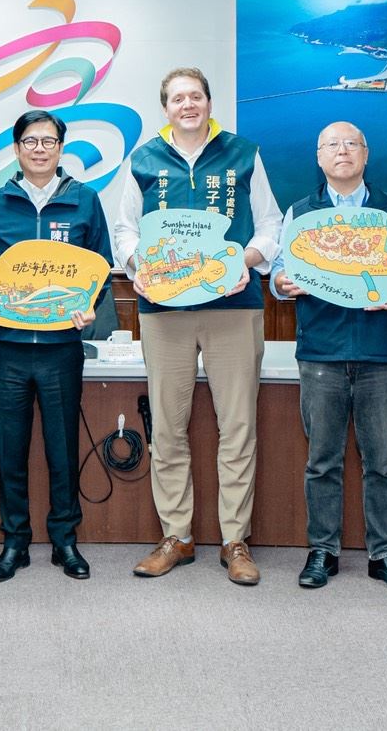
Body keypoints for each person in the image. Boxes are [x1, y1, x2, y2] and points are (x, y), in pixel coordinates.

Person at [113, 67, 282, 586]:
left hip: (234, 305)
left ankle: (235, 540)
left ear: (209, 102)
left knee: (238, 427)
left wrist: (244, 261)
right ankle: (177, 536)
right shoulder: (144, 158)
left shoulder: (243, 153)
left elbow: (270, 223)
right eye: (177, 98)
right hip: (164, 312)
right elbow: (124, 229)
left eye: (196, 96)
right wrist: (138, 266)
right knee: (168, 428)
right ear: (165, 108)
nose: (188, 105)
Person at [269, 123, 387, 593]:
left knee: (383, 461)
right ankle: (323, 550)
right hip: (322, 352)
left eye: (351, 144)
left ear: (365, 154)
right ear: (319, 157)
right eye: (332, 145)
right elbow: (278, 273)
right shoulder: (300, 212)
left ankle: (385, 554)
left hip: (380, 352)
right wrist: (283, 284)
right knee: (322, 460)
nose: (342, 152)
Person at [0, 110, 112, 582]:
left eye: (49, 141)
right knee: (11, 449)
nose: (39, 149)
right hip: (8, 347)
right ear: (16, 149)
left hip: (61, 348)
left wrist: (89, 306)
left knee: (62, 449)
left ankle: (65, 540)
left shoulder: (85, 200)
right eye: (30, 141)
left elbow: (101, 266)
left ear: (61, 148)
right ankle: (15, 542)